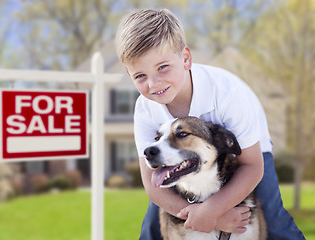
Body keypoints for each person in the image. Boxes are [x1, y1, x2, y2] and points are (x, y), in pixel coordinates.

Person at [115, 8, 305, 240]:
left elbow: (252, 166)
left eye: (162, 67)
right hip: (177, 160)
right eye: (140, 76)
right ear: (129, 74)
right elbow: (152, 184)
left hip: (248, 152)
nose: (153, 84)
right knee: (153, 226)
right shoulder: (145, 108)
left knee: (274, 220)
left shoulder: (229, 94)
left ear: (185, 58)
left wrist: (212, 210)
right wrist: (204, 216)